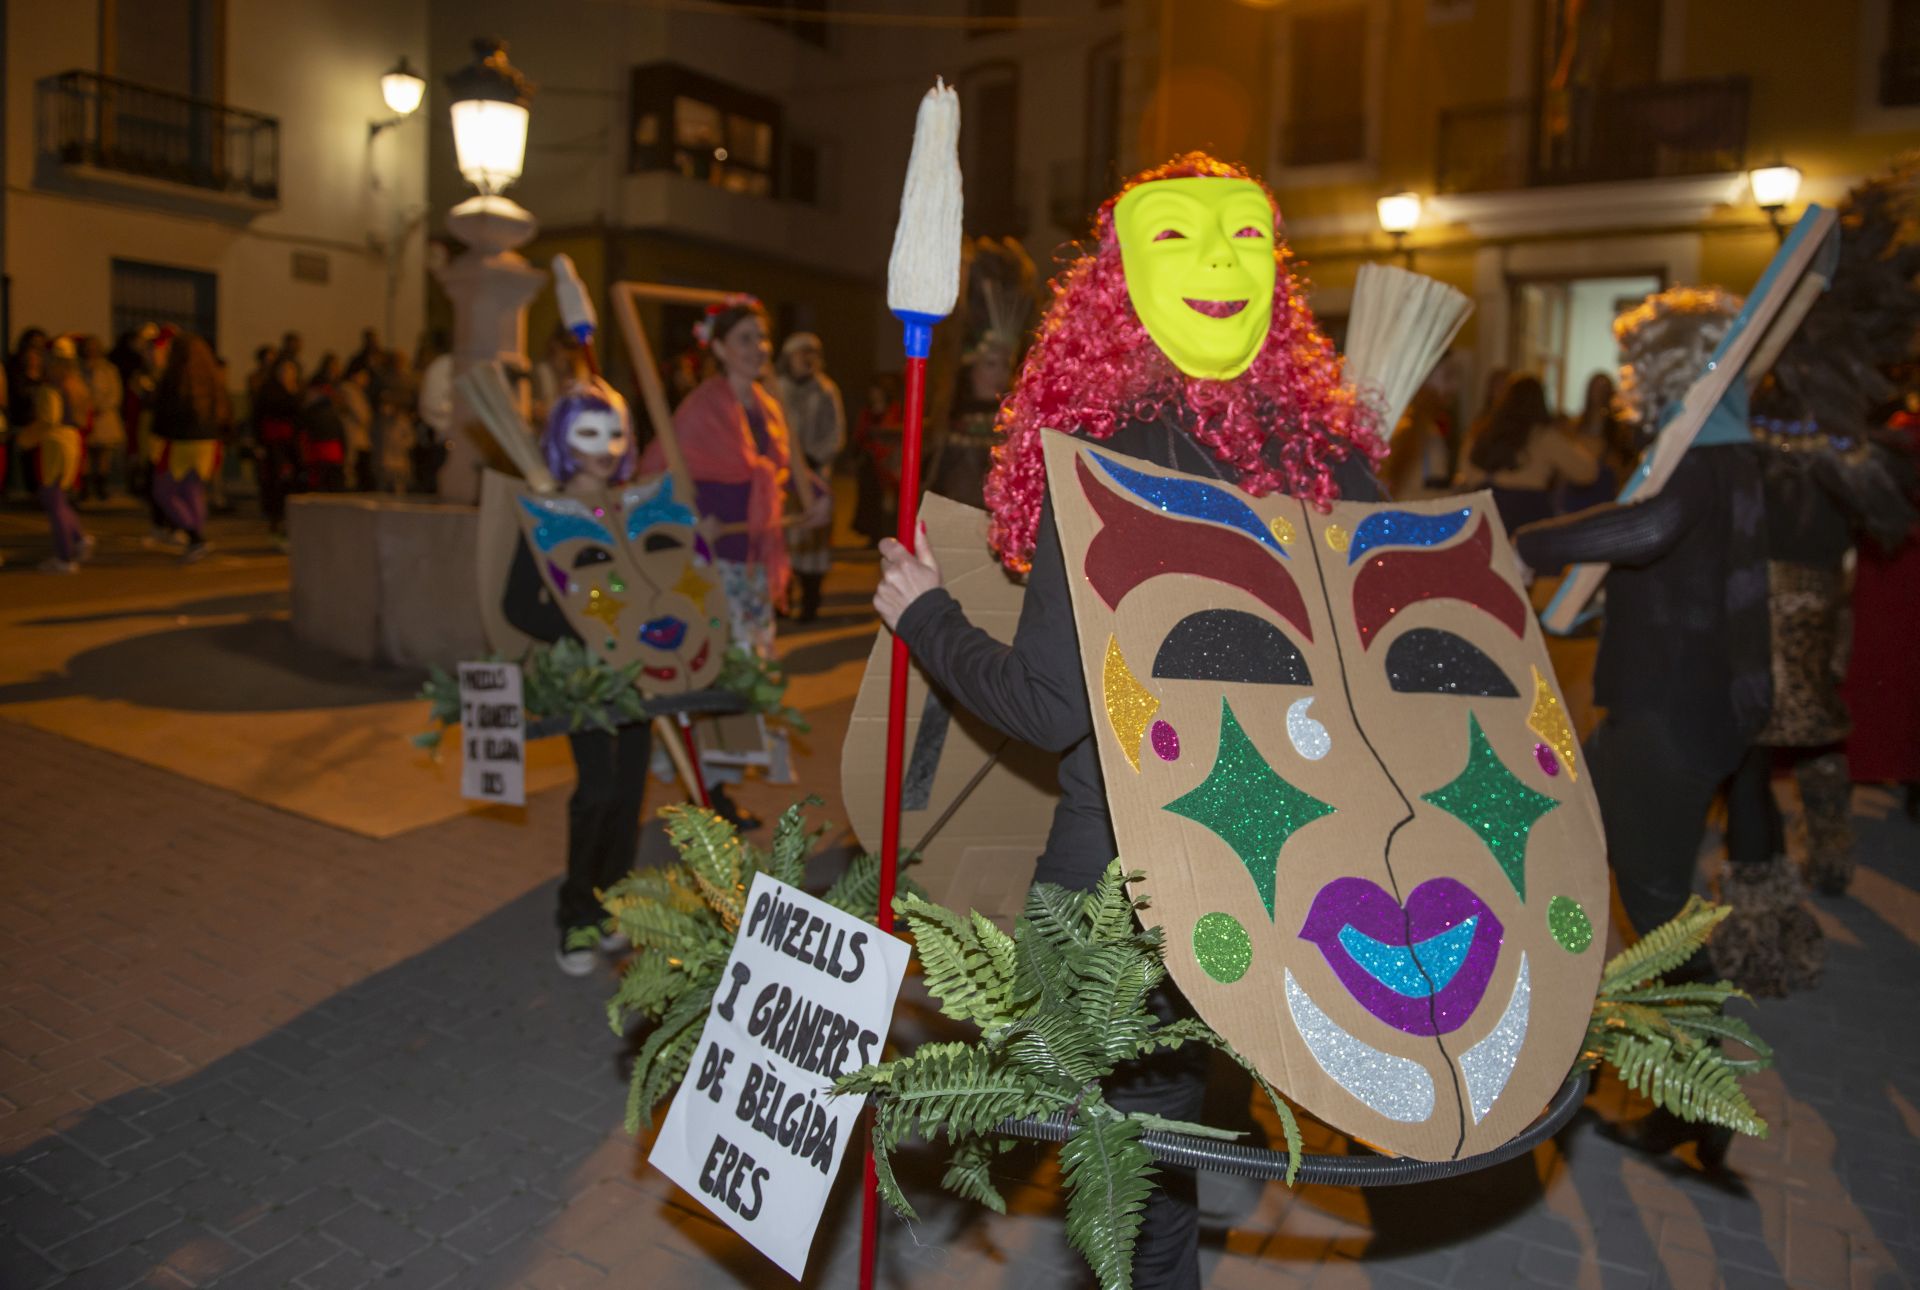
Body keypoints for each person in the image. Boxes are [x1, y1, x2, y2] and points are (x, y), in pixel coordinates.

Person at [874, 154, 1384, 1290]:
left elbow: (1049, 708)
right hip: (1293, 873)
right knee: (1178, 1132)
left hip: (1127, 887)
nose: (1216, 258)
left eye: (1241, 236)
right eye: (1191, 238)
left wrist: (926, 616)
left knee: (1136, 1185)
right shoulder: (1335, 459)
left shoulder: (1105, 468)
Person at [535, 379, 656, 975]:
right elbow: (515, 604)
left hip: (637, 673)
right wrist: (580, 625)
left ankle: (612, 906)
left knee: (630, 791)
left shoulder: (632, 509)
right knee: (598, 792)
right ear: (563, 439)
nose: (605, 447)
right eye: (589, 433)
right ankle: (575, 915)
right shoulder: (545, 513)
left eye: (615, 432)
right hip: (582, 679)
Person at [646, 297, 827, 656]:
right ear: (718, 348)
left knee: (753, 660)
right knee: (719, 660)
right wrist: (689, 522)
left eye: (762, 338)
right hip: (712, 558)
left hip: (754, 559)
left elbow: (783, 469)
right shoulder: (701, 407)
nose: (759, 348)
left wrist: (820, 496)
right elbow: (653, 474)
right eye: (745, 339)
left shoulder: (768, 407)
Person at [1456, 373, 1599, 532]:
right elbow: (1587, 472)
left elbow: (1466, 469)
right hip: (1528, 515)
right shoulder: (1543, 436)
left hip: (1485, 511)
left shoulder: (1482, 431)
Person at [774, 331, 846, 620]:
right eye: (801, 352)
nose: (807, 359)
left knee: (812, 538)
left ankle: (810, 601)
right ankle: (780, 598)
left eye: (812, 353)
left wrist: (817, 457)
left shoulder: (826, 390)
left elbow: (836, 430)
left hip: (815, 474)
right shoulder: (775, 388)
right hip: (782, 476)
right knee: (781, 537)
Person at [149, 335, 228, 563]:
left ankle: (194, 536)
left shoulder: (175, 377)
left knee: (164, 491)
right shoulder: (213, 378)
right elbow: (224, 413)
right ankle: (195, 537)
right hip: (206, 443)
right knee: (193, 491)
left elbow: (163, 414)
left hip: (179, 443)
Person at [19, 384, 92, 572]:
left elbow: (49, 419)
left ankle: (65, 556)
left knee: (53, 499)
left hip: (55, 444)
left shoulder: (52, 388)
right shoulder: (75, 386)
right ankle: (78, 539)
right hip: (70, 441)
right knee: (58, 498)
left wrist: (24, 438)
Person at [1558, 370, 1629, 512]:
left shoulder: (1618, 429)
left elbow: (1622, 463)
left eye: (1603, 389)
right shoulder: (1574, 426)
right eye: (1596, 388)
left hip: (1603, 489)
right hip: (1576, 488)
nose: (1599, 394)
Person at [253, 355, 303, 534]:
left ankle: (290, 514)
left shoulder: (298, 390)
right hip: (273, 441)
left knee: (294, 477)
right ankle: (276, 516)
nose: (288, 374)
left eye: (291, 370)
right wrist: (259, 443)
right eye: (284, 370)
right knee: (276, 478)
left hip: (292, 442)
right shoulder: (269, 390)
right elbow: (258, 416)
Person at [852, 374, 904, 546]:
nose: (874, 394)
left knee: (890, 502)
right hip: (870, 463)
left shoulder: (895, 409)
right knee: (871, 500)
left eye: (877, 391)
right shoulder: (867, 412)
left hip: (888, 463)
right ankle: (874, 536)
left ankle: (890, 535)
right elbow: (860, 434)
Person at [81, 336, 125, 501]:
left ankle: (101, 486)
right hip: (85, 415)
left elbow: (115, 393)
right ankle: (85, 488)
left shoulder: (109, 370)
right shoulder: (80, 368)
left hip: (104, 416)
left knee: (103, 454)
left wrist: (102, 406)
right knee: (86, 453)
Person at [299, 359, 347, 493]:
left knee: (323, 488)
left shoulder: (316, 410)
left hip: (322, 454)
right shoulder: (325, 410)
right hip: (327, 454)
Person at [339, 366, 375, 491]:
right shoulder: (348, 391)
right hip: (353, 434)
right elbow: (362, 416)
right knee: (353, 466)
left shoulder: (359, 392)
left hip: (361, 436)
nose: (366, 379)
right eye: (363, 375)